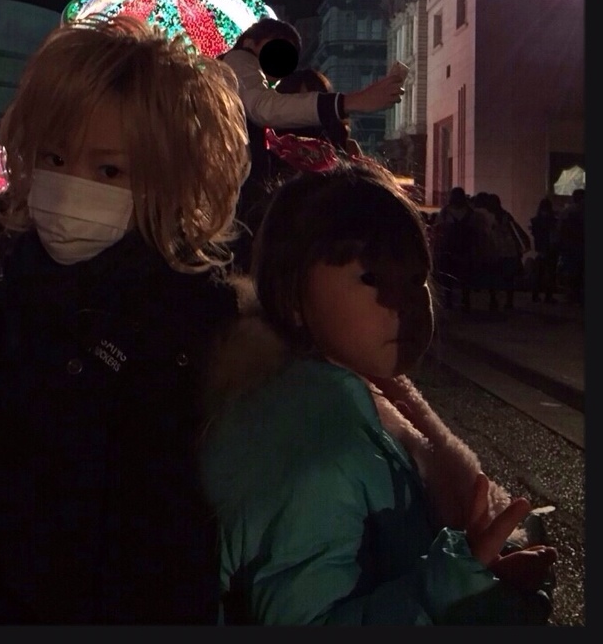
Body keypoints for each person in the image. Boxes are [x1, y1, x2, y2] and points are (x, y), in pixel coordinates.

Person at [0, 15, 250, 625]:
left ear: (167, 178)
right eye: (56, 157)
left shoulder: (191, 323)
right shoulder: (30, 272)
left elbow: (166, 547)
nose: (71, 185)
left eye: (109, 170)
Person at [200, 160, 557, 625]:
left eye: (415, 278)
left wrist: (484, 574)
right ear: (291, 294)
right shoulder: (311, 441)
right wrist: (452, 588)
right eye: (371, 278)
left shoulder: (361, 395)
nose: (402, 301)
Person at [218, 18, 404, 262]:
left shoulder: (239, 77)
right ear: (251, 43)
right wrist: (352, 101)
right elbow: (264, 107)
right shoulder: (240, 60)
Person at [434, 187, 496, 312]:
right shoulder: (471, 213)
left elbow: (439, 229)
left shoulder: (446, 212)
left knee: (451, 276)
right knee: (464, 276)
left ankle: (451, 300)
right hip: (464, 248)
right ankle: (464, 300)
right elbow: (479, 233)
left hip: (451, 248)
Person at [482, 193, 530, 312]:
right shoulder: (506, 216)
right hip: (508, 249)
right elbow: (515, 230)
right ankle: (508, 301)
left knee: (493, 276)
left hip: (495, 249)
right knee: (508, 278)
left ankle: (494, 300)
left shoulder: (487, 216)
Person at [556, 188, 584, 305]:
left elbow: (560, 229)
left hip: (569, 246)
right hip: (579, 245)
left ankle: (572, 295)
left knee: (571, 271)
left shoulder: (567, 211)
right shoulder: (581, 210)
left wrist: (560, 244)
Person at [529, 198, 559, 303]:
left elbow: (536, 235)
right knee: (550, 273)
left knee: (539, 273)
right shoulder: (553, 221)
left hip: (541, 248)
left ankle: (535, 295)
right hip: (550, 248)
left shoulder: (535, 221)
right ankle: (548, 296)